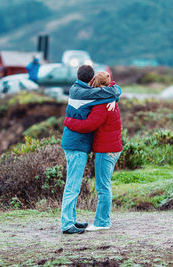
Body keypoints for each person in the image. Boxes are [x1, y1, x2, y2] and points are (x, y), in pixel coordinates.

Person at [61, 65, 121, 234]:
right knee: (72, 186)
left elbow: (111, 93)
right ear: (91, 79)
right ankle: (67, 224)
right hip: (76, 145)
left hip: (78, 145)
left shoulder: (76, 89)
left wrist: (113, 99)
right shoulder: (84, 94)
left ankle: (71, 220)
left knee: (74, 185)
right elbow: (89, 124)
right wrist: (68, 122)